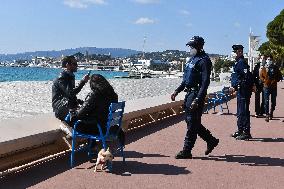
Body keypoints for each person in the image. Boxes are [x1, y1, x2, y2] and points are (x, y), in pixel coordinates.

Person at [171, 36, 219, 159]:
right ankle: (211, 140)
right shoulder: (192, 60)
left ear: (199, 46)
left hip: (196, 94)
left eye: (192, 46)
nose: (190, 48)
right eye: (190, 46)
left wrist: (198, 99)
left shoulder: (204, 61)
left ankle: (186, 150)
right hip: (189, 94)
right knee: (190, 121)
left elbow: (205, 83)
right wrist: (177, 91)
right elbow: (186, 80)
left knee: (192, 122)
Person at [70, 74, 125, 145]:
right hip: (110, 128)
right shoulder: (113, 95)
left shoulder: (94, 94)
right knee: (88, 119)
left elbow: (79, 114)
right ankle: (92, 146)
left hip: (98, 129)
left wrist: (72, 111)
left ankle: (89, 144)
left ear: (92, 84)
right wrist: (83, 103)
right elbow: (101, 107)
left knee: (71, 119)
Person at [52, 55, 90, 121]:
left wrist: (79, 102)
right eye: (74, 64)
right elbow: (71, 93)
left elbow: (71, 95)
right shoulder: (62, 77)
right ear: (67, 65)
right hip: (60, 108)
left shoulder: (69, 76)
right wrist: (83, 82)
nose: (77, 66)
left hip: (66, 104)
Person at [230, 44, 254, 140]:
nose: (234, 53)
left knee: (243, 111)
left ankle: (246, 132)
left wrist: (239, 85)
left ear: (239, 52)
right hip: (240, 90)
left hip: (243, 90)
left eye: (235, 51)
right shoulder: (237, 62)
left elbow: (247, 77)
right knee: (240, 112)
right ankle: (240, 130)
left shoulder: (241, 63)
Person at [259, 55, 282, 122]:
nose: (269, 61)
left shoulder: (275, 68)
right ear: (266, 60)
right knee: (266, 101)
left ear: (272, 60)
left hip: (274, 87)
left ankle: (271, 112)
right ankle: (267, 115)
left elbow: (279, 76)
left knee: (273, 102)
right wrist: (264, 81)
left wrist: (275, 80)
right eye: (268, 59)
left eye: (270, 59)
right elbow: (261, 76)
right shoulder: (264, 68)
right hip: (266, 87)